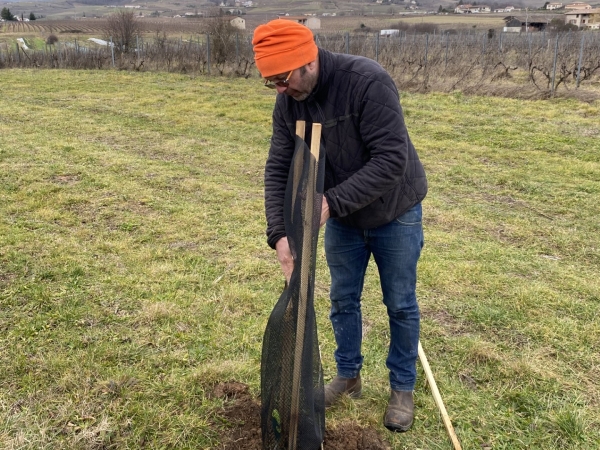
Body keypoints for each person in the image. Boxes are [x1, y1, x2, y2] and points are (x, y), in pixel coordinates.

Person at [253, 19, 427, 432]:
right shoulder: (289, 103)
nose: (279, 88)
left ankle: (402, 387)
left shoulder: (367, 81)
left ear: (307, 61)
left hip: (394, 212)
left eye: (282, 77)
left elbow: (390, 159)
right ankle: (348, 376)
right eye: (270, 81)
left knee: (400, 303)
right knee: (343, 299)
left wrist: (330, 201)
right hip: (343, 220)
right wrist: (278, 233)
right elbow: (279, 167)